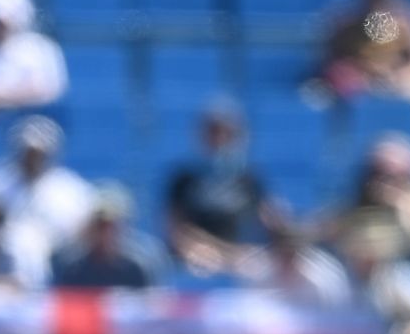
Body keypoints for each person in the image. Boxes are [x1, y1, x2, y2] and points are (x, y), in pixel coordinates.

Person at [0, 116, 95, 288]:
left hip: (59, 267)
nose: (33, 158)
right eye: (29, 152)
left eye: (39, 153)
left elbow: (82, 239)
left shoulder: (73, 190)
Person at [165, 98, 268, 274]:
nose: (219, 139)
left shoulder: (248, 178)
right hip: (195, 254)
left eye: (225, 133)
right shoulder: (184, 177)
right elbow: (174, 229)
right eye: (213, 132)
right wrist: (210, 249)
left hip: (237, 256)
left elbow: (268, 220)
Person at [51, 186, 158, 290]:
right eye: (101, 226)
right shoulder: (72, 270)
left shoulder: (137, 270)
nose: (106, 234)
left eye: (112, 226)